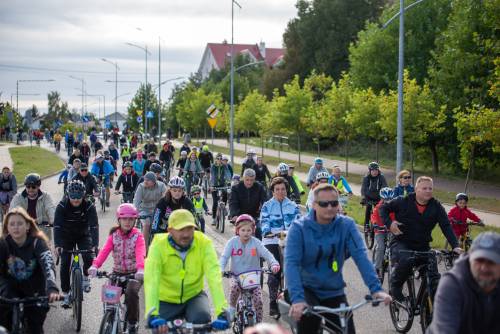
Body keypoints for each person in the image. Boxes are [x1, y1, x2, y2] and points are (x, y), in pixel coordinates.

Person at [285, 183, 391, 334]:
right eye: (324, 203)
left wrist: (376, 289)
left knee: (347, 329)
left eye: (334, 203)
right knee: (308, 323)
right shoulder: (299, 228)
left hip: (333, 291)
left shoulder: (346, 225)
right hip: (306, 289)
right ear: (314, 205)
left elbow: (361, 257)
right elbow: (291, 264)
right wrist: (297, 299)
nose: (329, 207)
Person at [379, 176, 462, 304]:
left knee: (434, 278)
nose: (428, 191)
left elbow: (446, 226)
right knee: (406, 261)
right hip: (402, 242)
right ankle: (395, 287)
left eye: (430, 188)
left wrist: (455, 246)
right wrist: (390, 223)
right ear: (416, 189)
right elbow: (383, 208)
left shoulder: (436, 206)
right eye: (424, 188)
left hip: (423, 245)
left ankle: (430, 312)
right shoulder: (403, 201)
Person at [144, 209, 230, 332]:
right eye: (181, 229)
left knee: (203, 320)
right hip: (165, 299)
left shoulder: (204, 243)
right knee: (158, 330)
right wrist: (152, 313)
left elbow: (214, 277)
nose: (186, 234)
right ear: (170, 230)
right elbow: (152, 279)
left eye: (189, 229)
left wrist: (222, 311)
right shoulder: (158, 245)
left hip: (193, 296)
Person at [0, 207, 59, 333]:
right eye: (12, 224)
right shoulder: (3, 244)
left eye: (20, 223)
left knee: (34, 328)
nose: (16, 227)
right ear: (7, 227)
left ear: (27, 225)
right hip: (8, 293)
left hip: (35, 294)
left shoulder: (38, 243)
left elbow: (48, 265)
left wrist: (52, 288)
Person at [88, 203, 146, 334]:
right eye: (124, 218)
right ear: (119, 220)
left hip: (134, 274)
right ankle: (109, 316)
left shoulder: (138, 236)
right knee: (109, 296)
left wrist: (141, 269)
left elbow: (140, 252)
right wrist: (95, 265)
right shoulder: (114, 235)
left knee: (131, 294)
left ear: (135, 220)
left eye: (131, 219)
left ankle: (132, 323)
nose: (127, 222)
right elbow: (104, 251)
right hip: (117, 272)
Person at [427, 232, 500, 334]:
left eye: (491, 262)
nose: (484, 268)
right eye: (479, 260)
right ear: (470, 259)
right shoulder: (452, 284)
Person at [220, 214, 280, 323]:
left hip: (253, 278)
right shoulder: (232, 242)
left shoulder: (256, 242)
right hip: (236, 276)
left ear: (253, 230)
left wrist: (274, 263)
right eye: (243, 230)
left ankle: (259, 324)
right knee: (234, 289)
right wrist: (221, 269)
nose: (246, 233)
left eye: (249, 230)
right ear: (237, 230)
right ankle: (232, 309)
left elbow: (267, 254)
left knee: (258, 301)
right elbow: (224, 257)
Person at [260, 177, 301, 317]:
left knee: (295, 268)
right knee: (275, 269)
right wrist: (267, 231)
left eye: (283, 189)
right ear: (272, 191)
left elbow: (298, 221)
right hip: (271, 240)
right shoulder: (267, 206)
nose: (280, 192)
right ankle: (272, 303)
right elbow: (264, 221)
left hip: (289, 239)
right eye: (277, 189)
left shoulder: (293, 206)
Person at [54, 180, 98, 307]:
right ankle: (66, 293)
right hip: (66, 237)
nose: (76, 200)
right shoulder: (62, 206)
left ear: (83, 195)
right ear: (68, 195)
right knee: (65, 263)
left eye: (79, 197)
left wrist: (95, 244)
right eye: (73, 197)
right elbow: (57, 226)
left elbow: (94, 226)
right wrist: (57, 245)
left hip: (83, 235)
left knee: (89, 258)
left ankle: (85, 277)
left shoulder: (89, 205)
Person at [10, 174, 55, 240]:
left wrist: (54, 220)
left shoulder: (46, 196)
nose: (30, 189)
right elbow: (12, 212)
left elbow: (50, 208)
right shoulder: (18, 198)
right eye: (28, 187)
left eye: (33, 187)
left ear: (38, 186)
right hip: (24, 233)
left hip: (43, 234)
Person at [229, 169, 268, 240]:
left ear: (254, 179)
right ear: (243, 178)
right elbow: (233, 202)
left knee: (259, 230)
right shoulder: (236, 188)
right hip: (241, 216)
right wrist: (234, 215)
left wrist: (266, 212)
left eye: (252, 180)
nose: (249, 182)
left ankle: (259, 248)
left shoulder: (259, 187)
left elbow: (265, 201)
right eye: (247, 180)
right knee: (240, 233)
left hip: (254, 216)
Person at [133, 172, 167, 248]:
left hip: (158, 210)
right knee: (146, 224)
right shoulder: (141, 186)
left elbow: (166, 198)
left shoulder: (161, 186)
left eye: (148, 180)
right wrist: (136, 212)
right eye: (145, 179)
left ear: (154, 181)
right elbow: (136, 201)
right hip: (145, 210)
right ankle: (145, 249)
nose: (145, 181)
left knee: (162, 226)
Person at [371, 187, 395, 280]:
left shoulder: (395, 207)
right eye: (385, 199)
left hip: (391, 230)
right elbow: (373, 217)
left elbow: (399, 217)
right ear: (381, 198)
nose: (388, 201)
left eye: (390, 199)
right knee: (380, 247)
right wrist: (375, 224)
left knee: (396, 246)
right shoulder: (378, 208)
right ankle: (377, 268)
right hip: (380, 230)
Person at [361, 162, 388, 231]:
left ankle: (380, 224)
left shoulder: (381, 177)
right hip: (368, 197)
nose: (375, 172)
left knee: (380, 209)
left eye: (376, 170)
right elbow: (363, 188)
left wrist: (384, 197)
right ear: (369, 171)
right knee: (369, 207)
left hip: (378, 197)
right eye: (373, 170)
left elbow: (384, 186)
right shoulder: (366, 178)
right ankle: (367, 224)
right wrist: (363, 198)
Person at [210, 153, 231, 223]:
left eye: (220, 159)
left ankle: (224, 208)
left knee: (225, 194)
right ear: (215, 159)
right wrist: (212, 185)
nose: (219, 160)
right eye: (217, 159)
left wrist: (228, 181)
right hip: (214, 185)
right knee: (215, 202)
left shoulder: (224, 166)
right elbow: (212, 176)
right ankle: (213, 218)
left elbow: (227, 173)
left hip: (222, 184)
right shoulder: (213, 166)